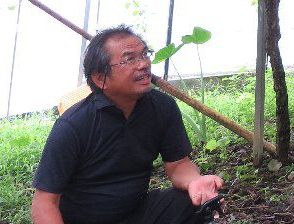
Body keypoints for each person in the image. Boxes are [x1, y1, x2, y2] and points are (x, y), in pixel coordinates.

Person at [32, 25, 224, 224]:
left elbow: (178, 166)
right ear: (100, 78)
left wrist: (194, 181)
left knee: (191, 204)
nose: (143, 65)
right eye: (129, 59)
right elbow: (44, 202)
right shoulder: (73, 125)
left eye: (144, 55)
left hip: (136, 213)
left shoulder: (162, 107)